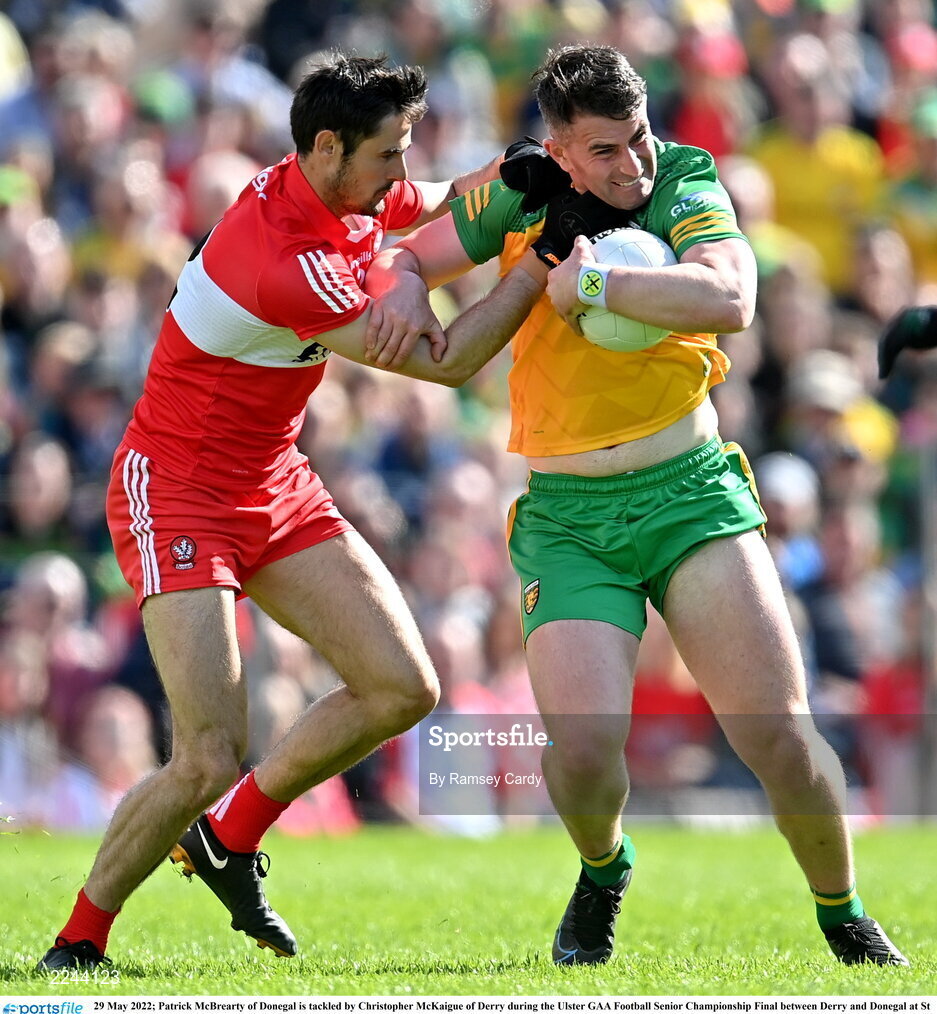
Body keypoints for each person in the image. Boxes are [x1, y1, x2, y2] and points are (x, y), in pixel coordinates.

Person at [367, 44, 909, 967]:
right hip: (569, 518)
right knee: (581, 758)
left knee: (778, 735)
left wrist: (595, 284)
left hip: (689, 496)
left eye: (640, 139)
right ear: (559, 150)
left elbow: (731, 296)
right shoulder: (514, 187)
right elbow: (401, 257)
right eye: (607, 152)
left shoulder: (685, 180)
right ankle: (604, 868)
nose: (634, 166)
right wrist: (407, 293)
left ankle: (843, 913)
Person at [35, 52, 548, 972]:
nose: (398, 170)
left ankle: (227, 840)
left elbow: (427, 201)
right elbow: (445, 362)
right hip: (179, 488)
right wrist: (538, 267)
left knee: (404, 687)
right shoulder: (288, 262)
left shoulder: (338, 190)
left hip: (269, 479)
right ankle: (79, 942)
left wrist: (508, 178)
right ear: (326, 148)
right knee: (205, 754)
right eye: (386, 153)